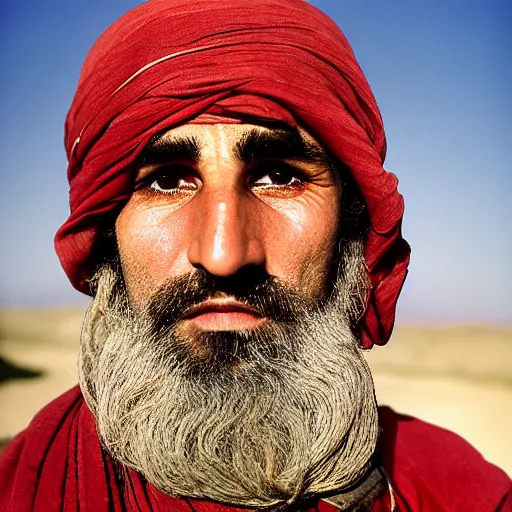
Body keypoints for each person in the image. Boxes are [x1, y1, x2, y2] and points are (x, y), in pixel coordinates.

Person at [0, 0, 510, 510]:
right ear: (106, 235)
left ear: (349, 228)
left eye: (280, 176)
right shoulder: (25, 486)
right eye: (167, 180)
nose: (223, 254)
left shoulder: (458, 493)